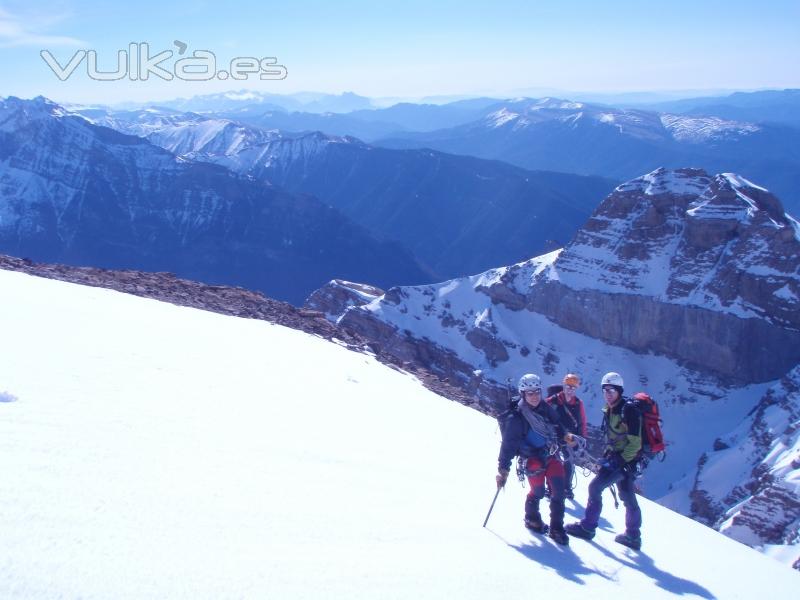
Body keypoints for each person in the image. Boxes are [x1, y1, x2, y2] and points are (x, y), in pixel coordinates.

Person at [565, 372, 643, 550]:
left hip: (625, 460)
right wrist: (607, 457)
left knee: (595, 487)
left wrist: (620, 461)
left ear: (619, 391)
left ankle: (588, 527)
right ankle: (633, 535)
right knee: (627, 495)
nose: (608, 393)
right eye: (605, 390)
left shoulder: (628, 410)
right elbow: (614, 439)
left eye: (612, 390)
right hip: (623, 459)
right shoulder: (612, 409)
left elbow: (635, 442)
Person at [496, 373, 574, 545]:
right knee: (538, 492)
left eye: (537, 392)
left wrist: (566, 435)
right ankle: (532, 518)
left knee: (559, 491)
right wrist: (503, 469)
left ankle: (557, 528)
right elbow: (508, 445)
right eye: (530, 393)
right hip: (532, 459)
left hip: (550, 454)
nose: (534, 396)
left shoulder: (545, 408)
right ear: (523, 394)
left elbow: (557, 424)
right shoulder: (516, 418)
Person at [547, 373, 587, 500]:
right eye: (568, 386)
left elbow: (582, 423)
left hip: (569, 437)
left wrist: (582, 440)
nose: (570, 390)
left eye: (573, 387)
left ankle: (567, 488)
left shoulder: (578, 404)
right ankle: (551, 487)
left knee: (568, 461)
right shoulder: (553, 400)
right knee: (552, 461)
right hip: (553, 436)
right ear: (563, 386)